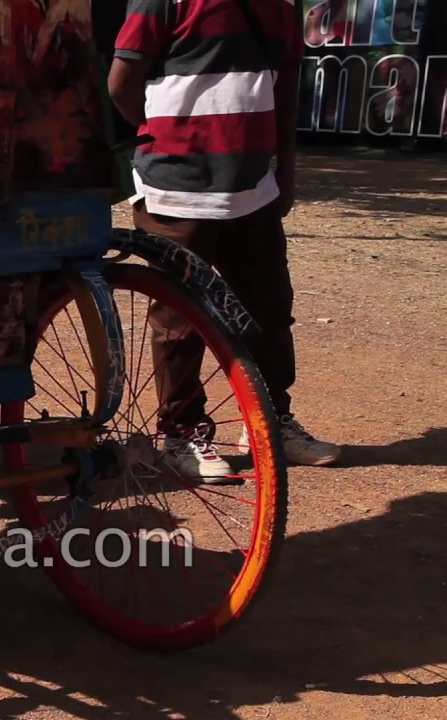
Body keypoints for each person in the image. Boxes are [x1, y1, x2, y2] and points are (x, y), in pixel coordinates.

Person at [107, 0, 341, 480]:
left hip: (253, 186)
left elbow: (287, 91)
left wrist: (287, 176)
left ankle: (272, 421)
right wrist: (165, 139)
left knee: (269, 311)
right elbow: (121, 84)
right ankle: (180, 432)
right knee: (180, 320)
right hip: (177, 190)